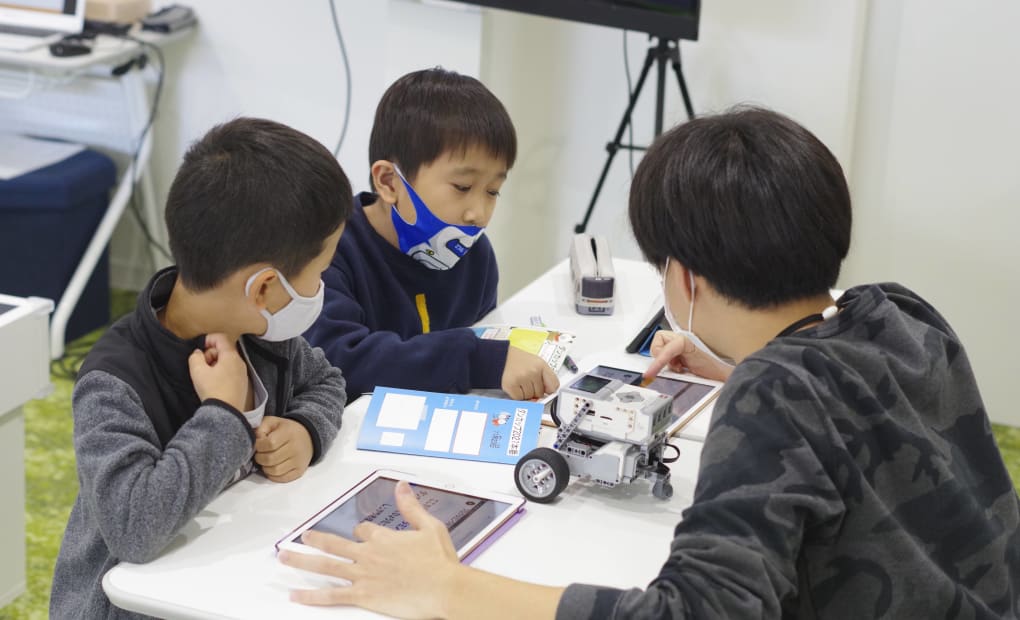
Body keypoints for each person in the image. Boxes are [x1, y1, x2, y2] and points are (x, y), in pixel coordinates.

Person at [278, 107, 1020, 619]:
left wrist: (450, 587)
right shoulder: (898, 311)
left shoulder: (775, 399)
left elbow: (697, 610)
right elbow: (862, 410)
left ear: (685, 279)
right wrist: (733, 369)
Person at [50, 118, 353, 619]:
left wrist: (305, 429)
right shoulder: (113, 382)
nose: (321, 287)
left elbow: (326, 382)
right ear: (262, 289)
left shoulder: (262, 333)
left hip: (233, 579)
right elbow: (133, 528)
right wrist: (222, 412)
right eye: (318, 273)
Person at [303, 68, 559, 402]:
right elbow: (338, 359)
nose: (478, 214)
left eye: (493, 191)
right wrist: (479, 359)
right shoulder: (329, 249)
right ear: (389, 182)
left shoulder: (475, 255)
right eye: (463, 187)